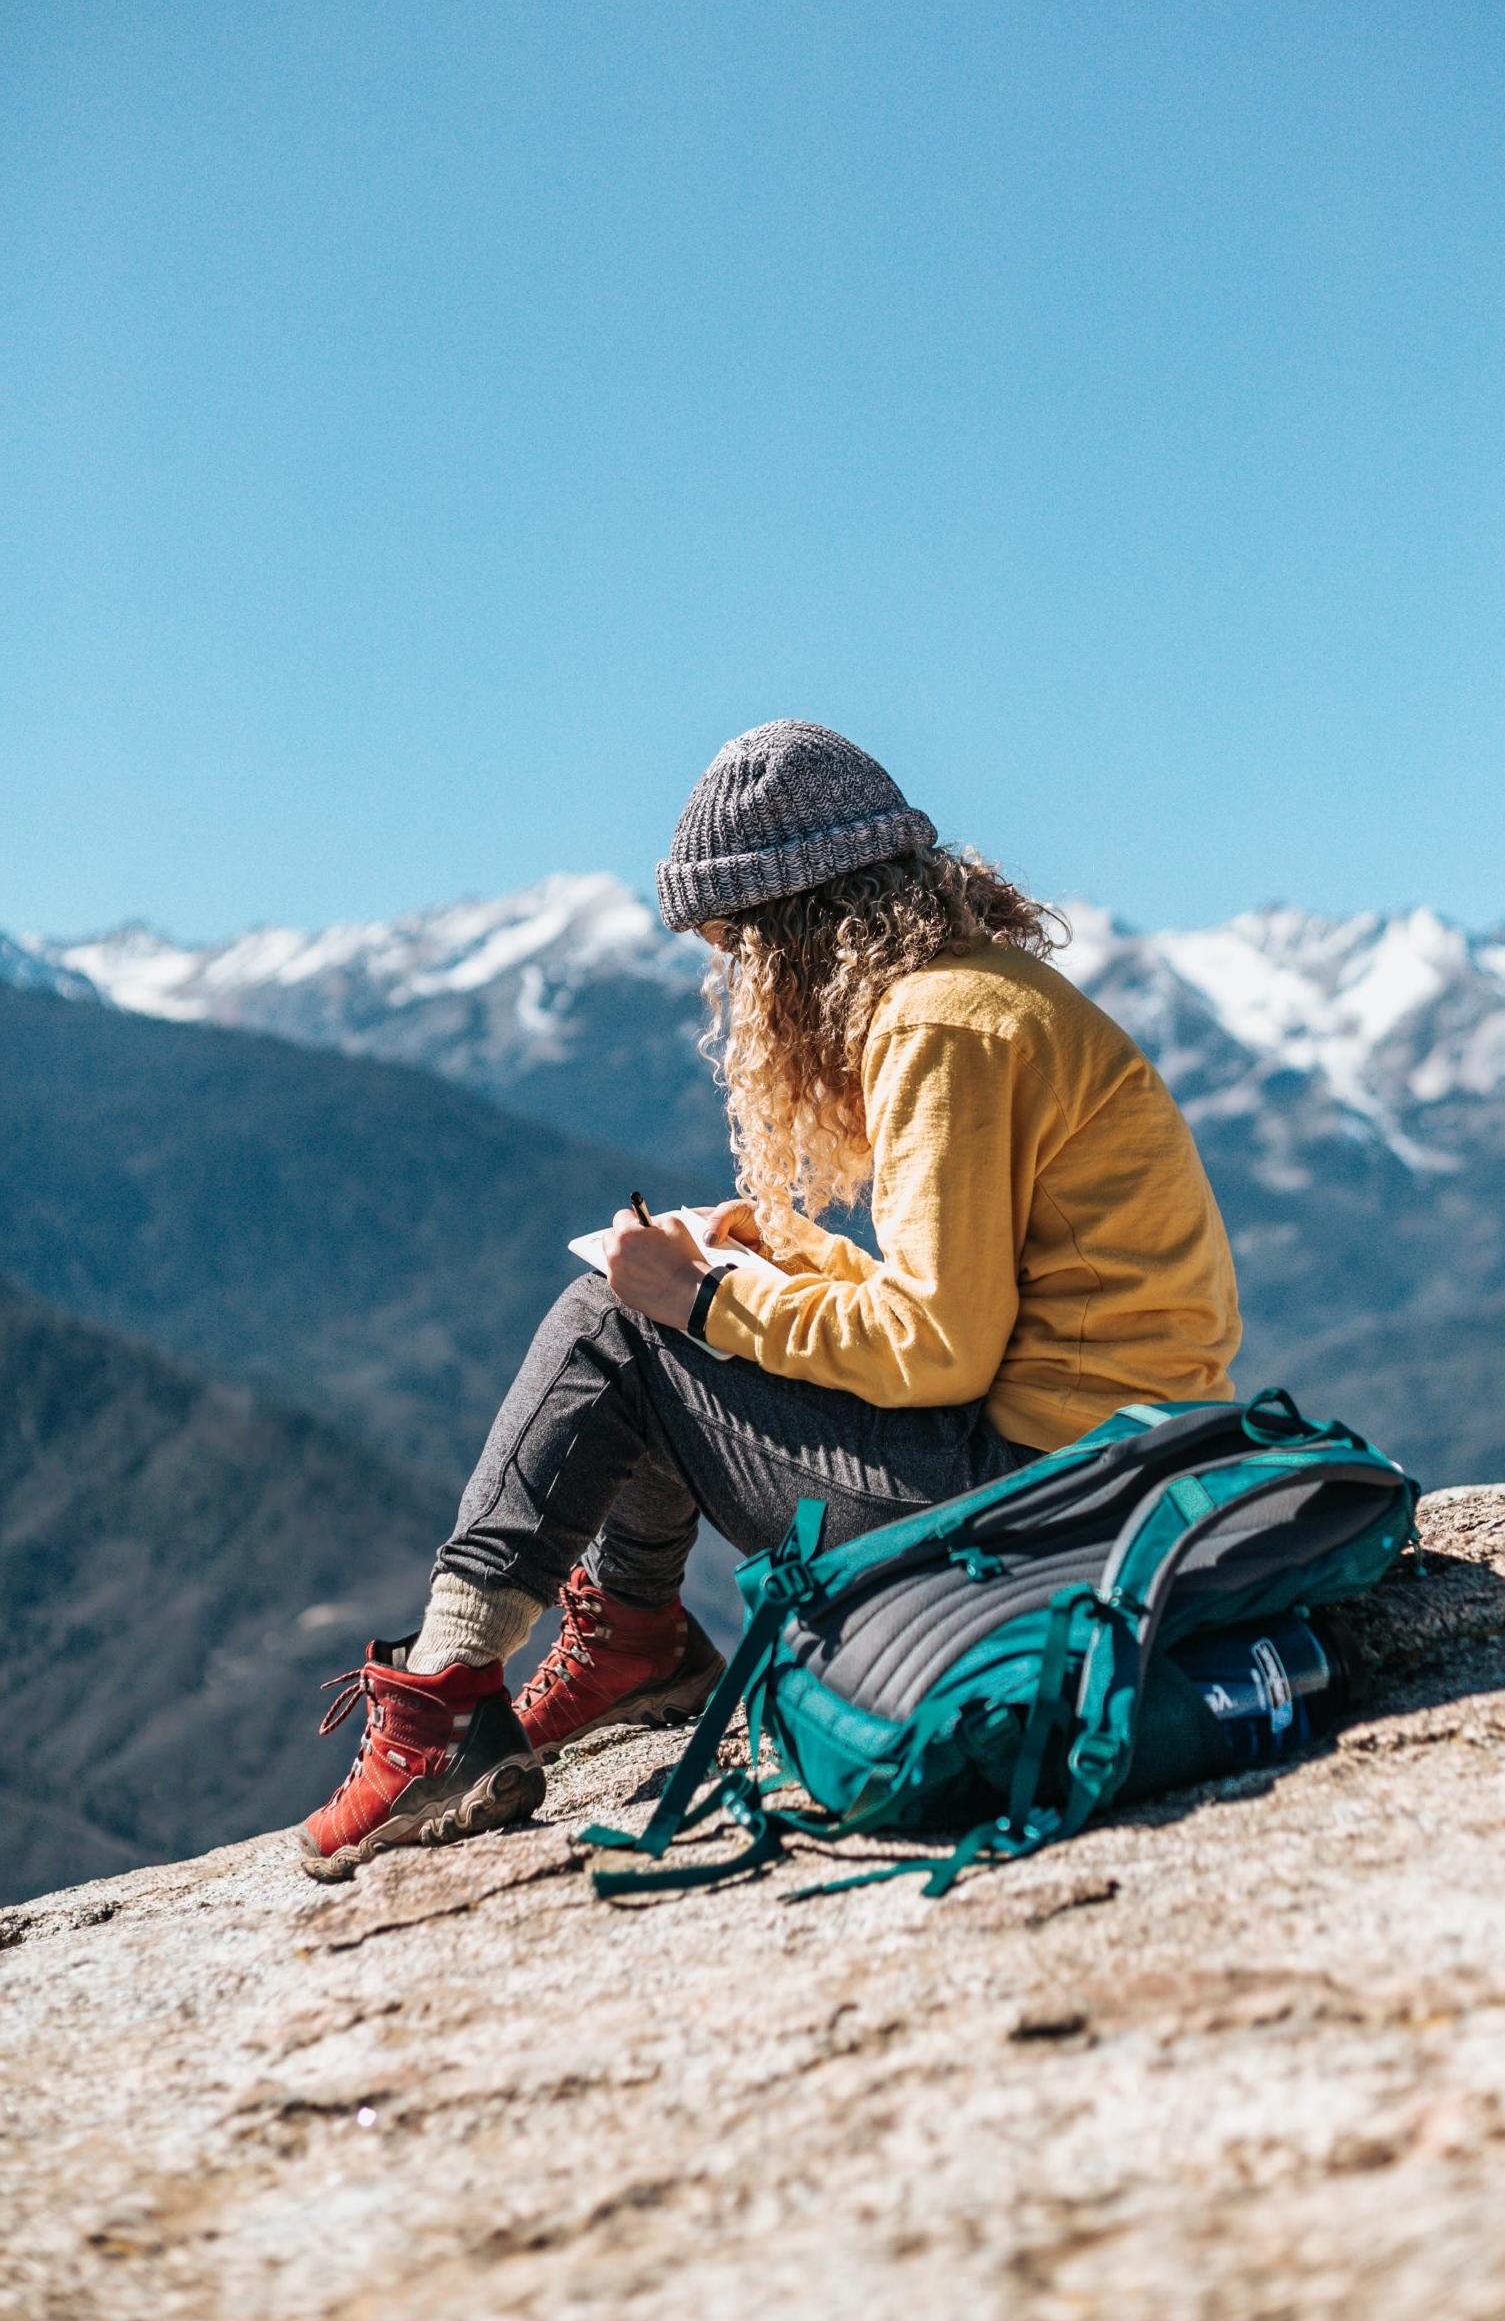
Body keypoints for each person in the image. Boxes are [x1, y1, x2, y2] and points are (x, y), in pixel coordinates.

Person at [298, 721, 1241, 1876]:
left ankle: (443, 1703)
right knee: (647, 1310)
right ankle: (633, 1638)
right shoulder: (990, 997)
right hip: (1113, 1472)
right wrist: (786, 1259)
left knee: (613, 1321)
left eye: (737, 947)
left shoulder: (937, 1026)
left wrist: (704, 1303)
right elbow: (994, 1308)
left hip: (1037, 1504)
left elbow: (939, 1350)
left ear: (796, 927)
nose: (737, 981)